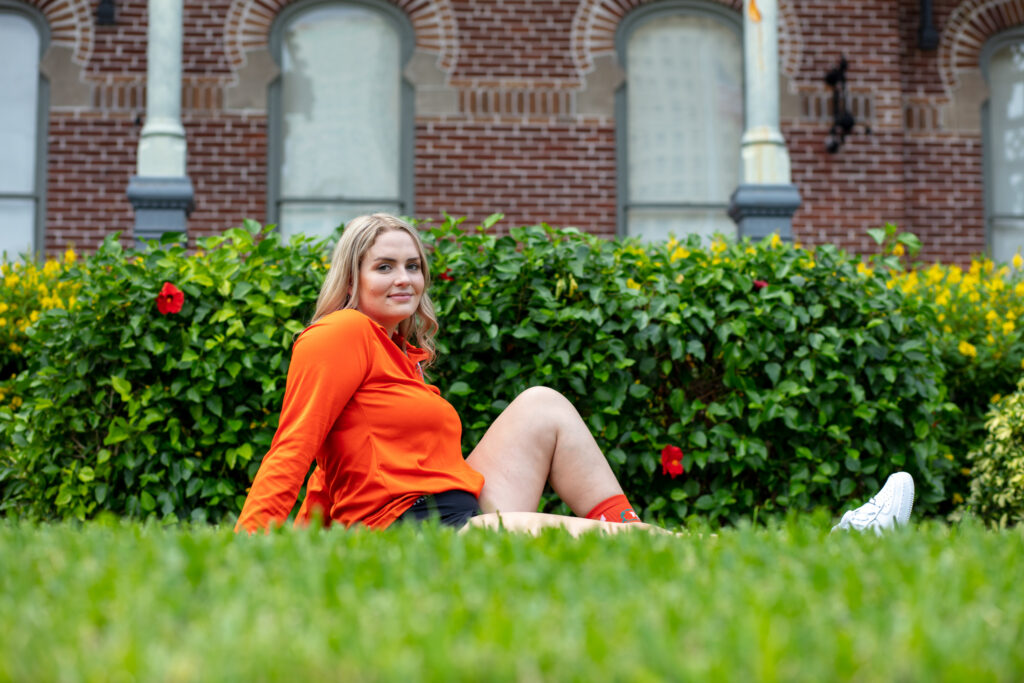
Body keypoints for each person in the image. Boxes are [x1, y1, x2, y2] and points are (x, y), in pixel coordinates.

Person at [235, 213, 915, 537]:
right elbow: (295, 447)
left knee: (541, 405)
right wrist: (256, 551)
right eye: (385, 265)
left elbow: (343, 465)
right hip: (418, 536)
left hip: (456, 508)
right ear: (353, 275)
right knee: (634, 547)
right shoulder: (341, 333)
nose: (404, 277)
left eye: (412, 265)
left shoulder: (398, 355)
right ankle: (841, 544)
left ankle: (635, 535)